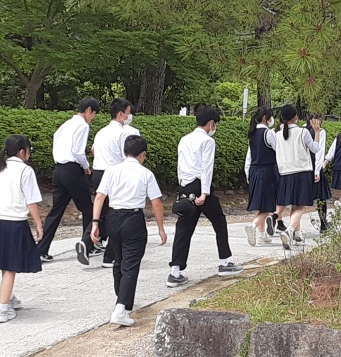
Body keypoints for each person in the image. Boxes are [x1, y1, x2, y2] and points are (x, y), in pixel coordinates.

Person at [91, 135, 167, 327]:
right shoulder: (145, 173)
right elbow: (156, 202)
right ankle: (121, 308)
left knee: (119, 261)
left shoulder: (111, 170)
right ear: (143, 154)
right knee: (131, 264)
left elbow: (99, 197)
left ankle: (121, 299)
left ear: (124, 152)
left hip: (113, 218)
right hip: (133, 219)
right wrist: (161, 228)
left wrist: (95, 223)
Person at [167, 107, 243, 287]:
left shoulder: (184, 139)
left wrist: (182, 187)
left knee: (183, 229)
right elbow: (206, 168)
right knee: (219, 220)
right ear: (211, 123)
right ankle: (224, 262)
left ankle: (175, 271)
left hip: (185, 185)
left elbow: (180, 165)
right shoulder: (207, 141)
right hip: (200, 186)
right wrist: (204, 193)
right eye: (215, 124)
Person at [76, 98, 136, 267]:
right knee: (117, 212)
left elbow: (93, 150)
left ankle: (87, 243)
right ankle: (110, 254)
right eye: (128, 113)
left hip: (98, 172)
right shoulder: (123, 134)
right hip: (115, 173)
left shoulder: (101, 132)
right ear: (121, 114)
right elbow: (127, 157)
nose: (129, 116)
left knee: (102, 212)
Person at [38, 97, 100, 262]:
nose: (93, 117)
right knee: (88, 209)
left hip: (59, 169)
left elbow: (56, 141)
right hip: (73, 169)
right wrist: (86, 166)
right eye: (93, 113)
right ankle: (88, 245)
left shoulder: (65, 125)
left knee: (56, 211)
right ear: (88, 110)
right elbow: (78, 152)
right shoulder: (82, 125)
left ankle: (41, 249)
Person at [0, 135, 43, 324]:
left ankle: (7, 296)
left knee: (3, 262)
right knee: (10, 266)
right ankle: (2, 308)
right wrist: (38, 225)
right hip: (14, 222)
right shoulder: (25, 170)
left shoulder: (2, 167)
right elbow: (31, 201)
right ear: (21, 152)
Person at [276, 105, 321, 249]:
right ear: (296, 116)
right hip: (302, 172)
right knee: (300, 205)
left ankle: (297, 234)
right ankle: (289, 231)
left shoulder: (277, 134)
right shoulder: (303, 132)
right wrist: (317, 132)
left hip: (285, 172)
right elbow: (315, 148)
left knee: (293, 205)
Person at [243, 107, 277, 246]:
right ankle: (253, 226)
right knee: (268, 205)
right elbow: (279, 151)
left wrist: (248, 173)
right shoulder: (268, 133)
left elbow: (249, 156)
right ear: (265, 118)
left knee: (261, 204)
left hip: (254, 170)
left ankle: (263, 235)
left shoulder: (252, 133)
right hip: (267, 171)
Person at [306, 114, 331, 233]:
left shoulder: (303, 130)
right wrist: (318, 170)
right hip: (315, 166)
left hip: (304, 166)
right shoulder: (320, 132)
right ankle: (323, 224)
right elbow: (319, 152)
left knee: (299, 198)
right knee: (321, 197)